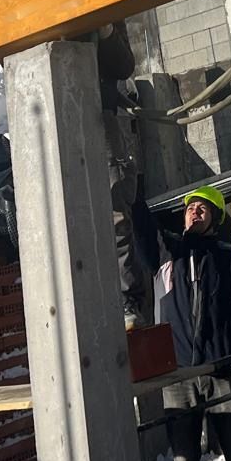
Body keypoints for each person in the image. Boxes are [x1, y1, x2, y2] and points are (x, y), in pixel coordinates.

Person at [134, 184, 231, 461]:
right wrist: (136, 192)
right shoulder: (166, 252)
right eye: (190, 207)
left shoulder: (227, 260)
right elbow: (141, 227)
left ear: (216, 218)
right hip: (178, 376)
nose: (194, 211)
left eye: (203, 208)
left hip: (220, 370)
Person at [93, 20, 149, 325]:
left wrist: (105, 32)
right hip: (57, 125)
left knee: (115, 218)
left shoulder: (107, 10)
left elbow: (123, 65)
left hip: (100, 121)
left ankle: (128, 304)